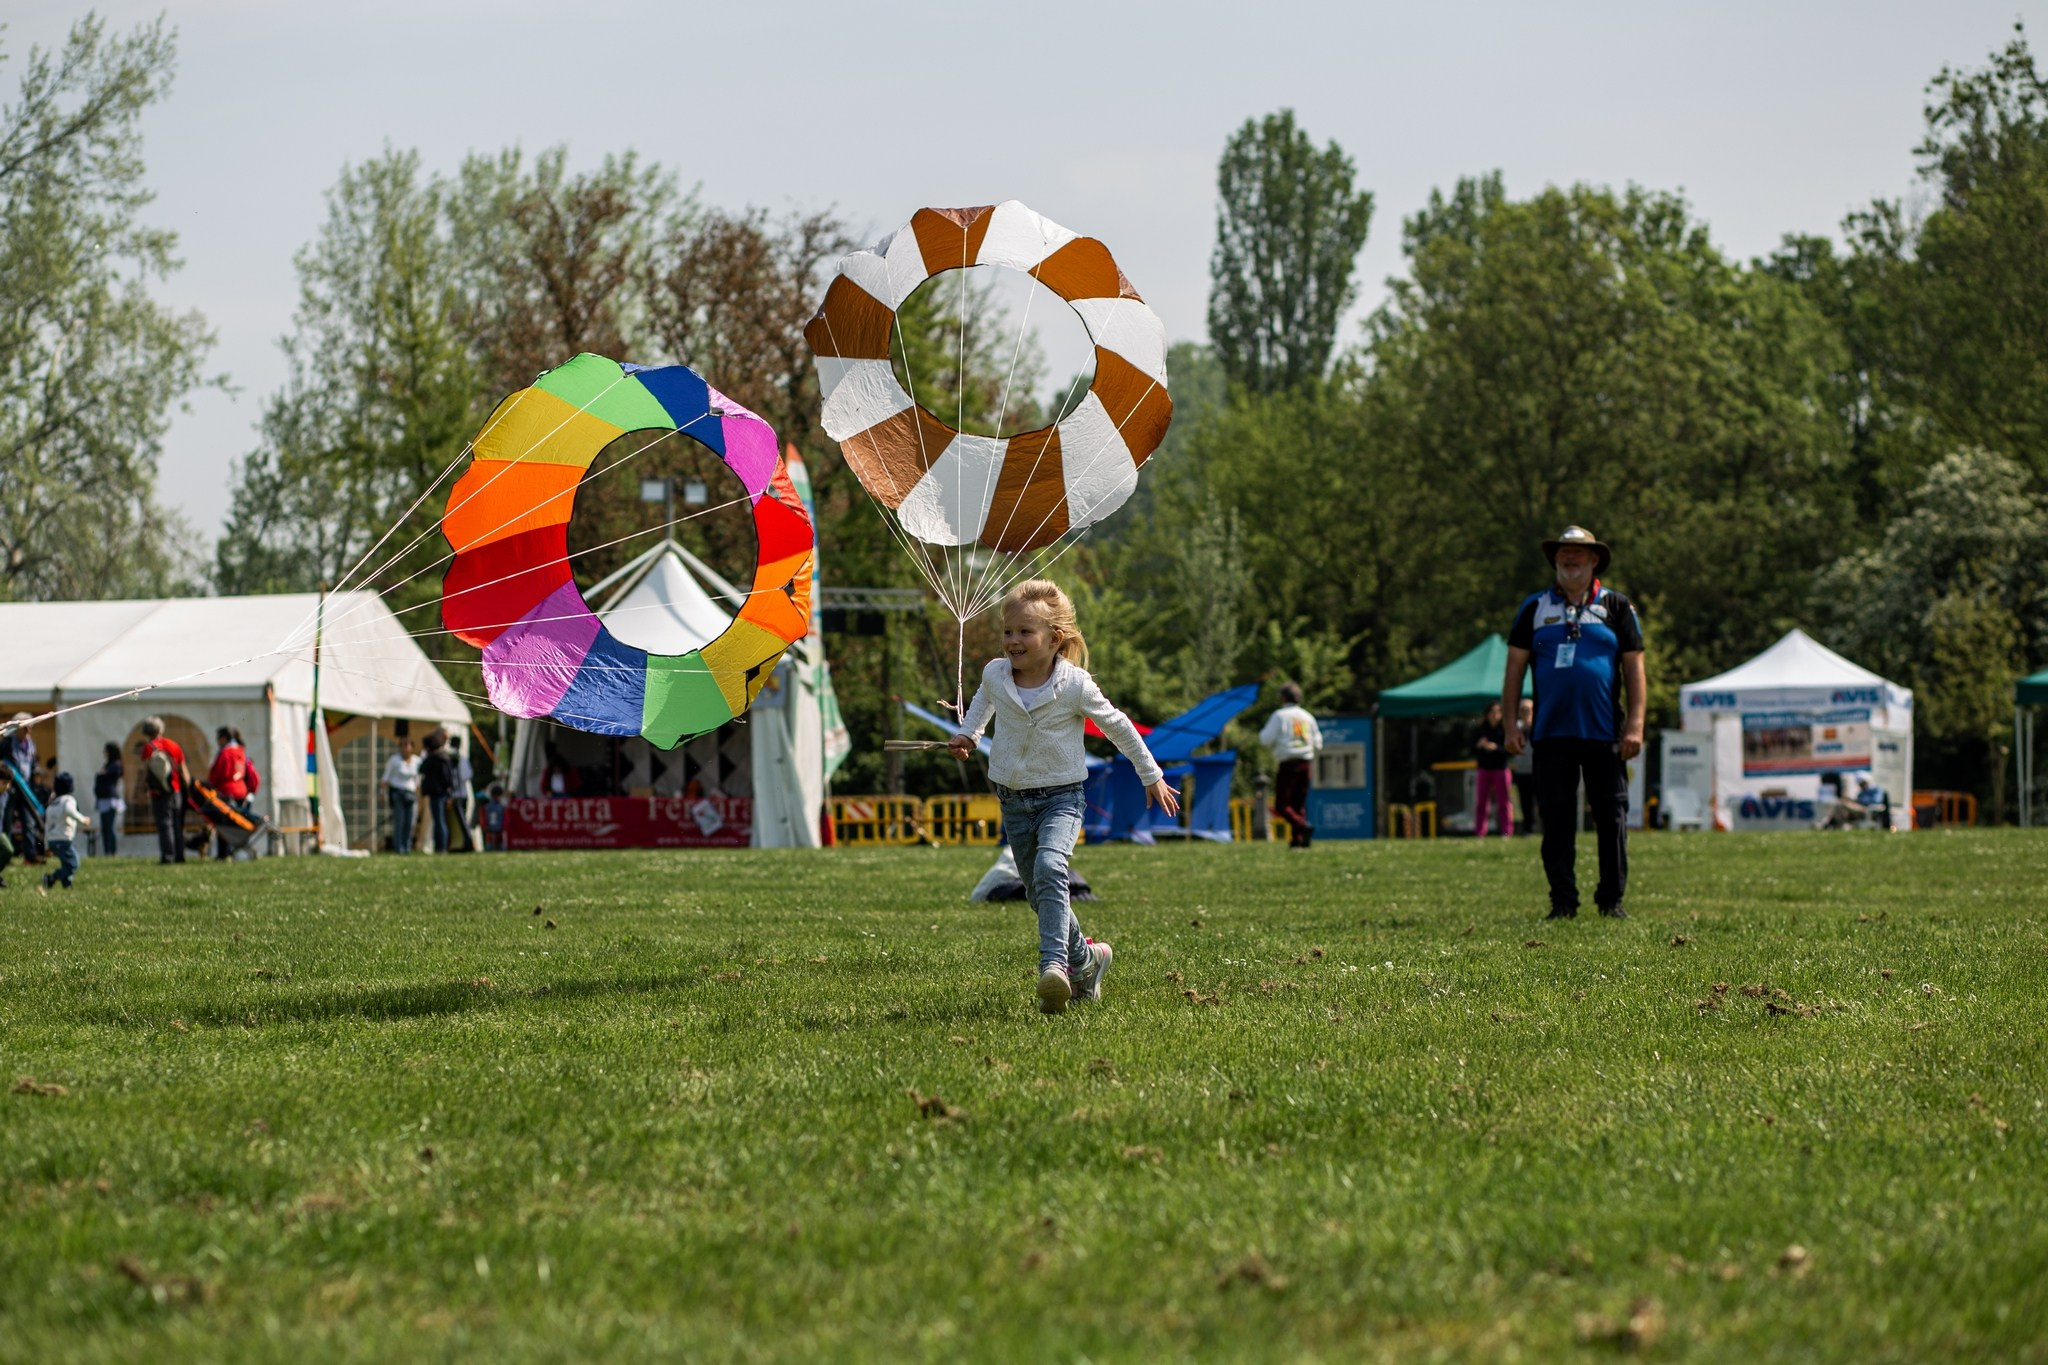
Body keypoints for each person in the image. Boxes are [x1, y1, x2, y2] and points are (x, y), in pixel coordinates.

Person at [949, 579, 1177, 1015]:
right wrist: (968, 734)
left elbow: (1119, 726)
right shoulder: (995, 673)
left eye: (1024, 632)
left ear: (1054, 639)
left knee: (1053, 869)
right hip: (1012, 798)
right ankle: (1088, 960)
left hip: (1062, 798)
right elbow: (983, 703)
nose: (1013, 641)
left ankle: (1054, 966)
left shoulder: (1075, 685)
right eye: (1008, 631)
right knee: (1038, 893)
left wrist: (1151, 775)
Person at [1502, 525, 1646, 920]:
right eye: (1563, 552)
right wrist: (1512, 725)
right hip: (1550, 734)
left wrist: (1635, 726)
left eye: (1578, 552)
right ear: (1555, 559)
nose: (1569, 557)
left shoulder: (1617, 607)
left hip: (1604, 732)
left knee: (1611, 818)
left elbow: (1635, 670)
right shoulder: (1534, 608)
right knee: (1557, 820)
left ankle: (1611, 901)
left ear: (1594, 559)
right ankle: (1563, 903)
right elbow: (1514, 670)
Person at [1259, 682, 1323, 848]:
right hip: (1306, 763)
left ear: (1282, 698)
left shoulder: (1280, 716)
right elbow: (1318, 743)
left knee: (1282, 804)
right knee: (1298, 803)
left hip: (1288, 763)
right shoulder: (1308, 717)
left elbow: (1265, 739)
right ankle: (1298, 840)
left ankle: (1302, 827)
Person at [139, 717, 192, 865]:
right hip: (176, 790)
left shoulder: (148, 748)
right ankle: (180, 855)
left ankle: (168, 856)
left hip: (159, 791)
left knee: (164, 824)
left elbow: (144, 771)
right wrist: (187, 788)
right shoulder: (173, 745)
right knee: (178, 823)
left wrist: (142, 790)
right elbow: (184, 771)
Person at [207, 727, 261, 859]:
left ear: (224, 738)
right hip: (241, 792)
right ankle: (235, 849)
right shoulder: (240, 751)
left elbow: (220, 774)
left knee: (223, 825)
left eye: (218, 738)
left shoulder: (225, 753)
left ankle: (223, 853)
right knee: (236, 824)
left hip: (226, 792)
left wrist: (210, 785)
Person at [2, 714, 43, 862]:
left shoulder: (31, 744)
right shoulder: (7, 742)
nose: (28, 731)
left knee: (29, 821)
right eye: (25, 728)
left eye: (30, 728)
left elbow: (33, 764)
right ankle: (5, 854)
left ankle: (30, 855)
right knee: (6, 821)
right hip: (10, 788)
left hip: (26, 789)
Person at [40, 773, 89, 891]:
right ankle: (51, 878)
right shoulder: (68, 800)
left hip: (52, 840)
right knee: (73, 864)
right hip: (63, 840)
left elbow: (47, 827)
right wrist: (83, 819)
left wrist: (46, 845)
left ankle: (67, 884)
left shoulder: (52, 805)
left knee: (66, 863)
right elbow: (69, 810)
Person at [1472, 700, 1514, 837]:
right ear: (1487, 715)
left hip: (1500, 769)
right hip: (1484, 769)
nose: (1494, 715)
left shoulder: (1505, 731)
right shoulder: (1480, 730)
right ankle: (1480, 831)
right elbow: (1472, 750)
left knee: (1504, 802)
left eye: (1497, 712)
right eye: (1492, 712)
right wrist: (1479, 746)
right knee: (1482, 803)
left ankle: (1507, 831)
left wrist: (1496, 748)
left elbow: (1510, 751)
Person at [382, 736, 421, 854]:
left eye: (407, 745)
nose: (405, 748)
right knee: (399, 821)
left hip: (411, 794)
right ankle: (398, 847)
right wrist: (382, 793)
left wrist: (418, 794)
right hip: (398, 793)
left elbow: (418, 780)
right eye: (402, 745)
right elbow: (385, 778)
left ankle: (407, 846)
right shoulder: (394, 760)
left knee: (410, 822)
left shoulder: (417, 761)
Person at [419, 731, 455, 854]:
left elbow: (421, 769)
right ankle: (440, 846)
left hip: (437, 793)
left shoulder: (434, 758)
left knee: (439, 821)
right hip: (442, 793)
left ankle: (441, 847)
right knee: (440, 820)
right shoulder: (444, 757)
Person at [1509, 698, 1538, 835]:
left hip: (1538, 770)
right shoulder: (1516, 727)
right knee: (1525, 803)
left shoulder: (1539, 726)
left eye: (1528, 709)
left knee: (1542, 802)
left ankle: (1545, 829)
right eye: (1522, 709)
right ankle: (1528, 830)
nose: (1525, 712)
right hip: (1521, 771)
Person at [93, 742, 125, 857]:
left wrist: (102, 775)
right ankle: (107, 851)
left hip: (110, 800)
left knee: (110, 827)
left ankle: (113, 851)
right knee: (105, 828)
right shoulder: (108, 764)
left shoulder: (115, 765)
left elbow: (110, 775)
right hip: (103, 799)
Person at [446, 734, 476, 852]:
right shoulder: (461, 758)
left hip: (454, 794)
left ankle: (463, 843)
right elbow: (467, 775)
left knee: (457, 822)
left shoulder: (451, 757)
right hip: (460, 794)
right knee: (462, 821)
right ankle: (466, 843)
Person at [480, 783, 508, 852]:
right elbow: (506, 819)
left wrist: (484, 826)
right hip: (498, 832)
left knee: (490, 849)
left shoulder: (486, 807)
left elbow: (483, 819)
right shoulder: (502, 807)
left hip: (490, 831)